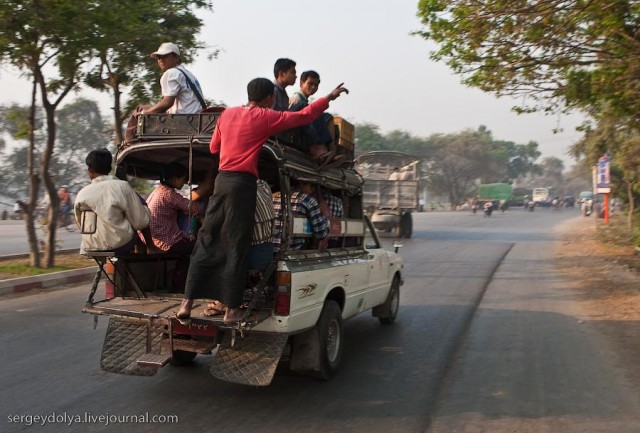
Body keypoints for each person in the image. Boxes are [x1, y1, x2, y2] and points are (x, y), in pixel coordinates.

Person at [175, 78, 349, 325]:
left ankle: (186, 303)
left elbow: (214, 148)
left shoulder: (227, 114)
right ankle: (231, 309)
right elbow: (304, 115)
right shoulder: (266, 117)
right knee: (237, 244)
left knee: (207, 238)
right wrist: (329, 97)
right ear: (269, 98)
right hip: (242, 186)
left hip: (221, 183)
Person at [74, 148, 161, 255]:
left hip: (89, 245)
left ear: (89, 170)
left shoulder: (82, 193)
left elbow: (80, 223)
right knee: (140, 206)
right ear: (110, 168)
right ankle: (150, 246)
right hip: (119, 243)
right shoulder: (122, 187)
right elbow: (140, 222)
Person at [146, 162, 205, 291]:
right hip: (166, 241)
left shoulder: (157, 192)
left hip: (153, 239)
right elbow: (194, 208)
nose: (184, 183)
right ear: (174, 178)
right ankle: (184, 284)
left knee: (188, 248)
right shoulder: (169, 194)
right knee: (201, 247)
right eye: (183, 179)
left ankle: (179, 283)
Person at [288, 70, 343, 167]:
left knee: (328, 117)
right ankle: (323, 151)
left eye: (316, 85)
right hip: (298, 133)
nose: (313, 87)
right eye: (310, 83)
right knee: (316, 113)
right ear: (301, 83)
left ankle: (332, 151)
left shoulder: (304, 100)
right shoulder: (297, 99)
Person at [142, 42, 205, 114]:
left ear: (176, 58)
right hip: (197, 117)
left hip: (185, 120)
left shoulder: (171, 73)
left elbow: (167, 103)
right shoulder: (188, 74)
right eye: (159, 57)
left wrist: (145, 112)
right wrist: (152, 108)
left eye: (164, 56)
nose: (161, 60)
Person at [272, 180, 329, 252]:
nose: (313, 191)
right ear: (301, 184)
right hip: (291, 252)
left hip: (268, 251)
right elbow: (321, 233)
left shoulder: (273, 197)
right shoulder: (307, 200)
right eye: (311, 187)